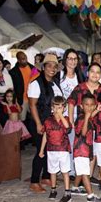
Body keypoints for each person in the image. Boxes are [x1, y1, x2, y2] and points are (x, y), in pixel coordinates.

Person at [28, 54, 64, 193]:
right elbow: (32, 106)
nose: (52, 69)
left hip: (51, 122)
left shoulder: (54, 82)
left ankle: (46, 176)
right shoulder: (35, 83)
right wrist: (38, 124)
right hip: (40, 121)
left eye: (55, 66)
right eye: (49, 66)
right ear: (43, 67)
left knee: (49, 151)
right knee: (40, 151)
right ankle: (34, 181)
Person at [71, 93, 101, 202]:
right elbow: (83, 133)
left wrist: (96, 111)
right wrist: (87, 117)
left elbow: (90, 116)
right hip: (81, 150)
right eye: (86, 105)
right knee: (85, 172)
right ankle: (90, 196)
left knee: (80, 171)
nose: (89, 107)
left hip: (84, 149)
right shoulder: (82, 118)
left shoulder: (87, 116)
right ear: (81, 106)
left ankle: (75, 188)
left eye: (92, 105)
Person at [38, 96, 72, 202]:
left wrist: (61, 115)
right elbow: (45, 135)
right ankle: (53, 189)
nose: (59, 108)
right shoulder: (48, 121)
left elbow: (67, 128)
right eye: (56, 106)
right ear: (52, 107)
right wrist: (41, 150)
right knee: (52, 171)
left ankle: (67, 192)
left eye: (61, 106)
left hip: (63, 149)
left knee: (65, 171)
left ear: (64, 108)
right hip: (51, 149)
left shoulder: (65, 119)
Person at [59, 49, 85, 177]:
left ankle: (72, 171)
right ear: (65, 60)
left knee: (73, 142)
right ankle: (62, 169)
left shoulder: (80, 77)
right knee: (62, 143)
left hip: (76, 115)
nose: (72, 61)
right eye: (70, 58)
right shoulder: (59, 76)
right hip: (62, 115)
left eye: (75, 59)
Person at [9, 52, 34, 123]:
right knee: (21, 120)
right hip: (22, 100)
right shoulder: (13, 72)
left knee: (34, 119)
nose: (25, 60)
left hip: (32, 98)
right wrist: (16, 101)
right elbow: (13, 88)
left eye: (25, 58)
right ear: (18, 60)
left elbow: (37, 79)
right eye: (22, 59)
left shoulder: (32, 68)